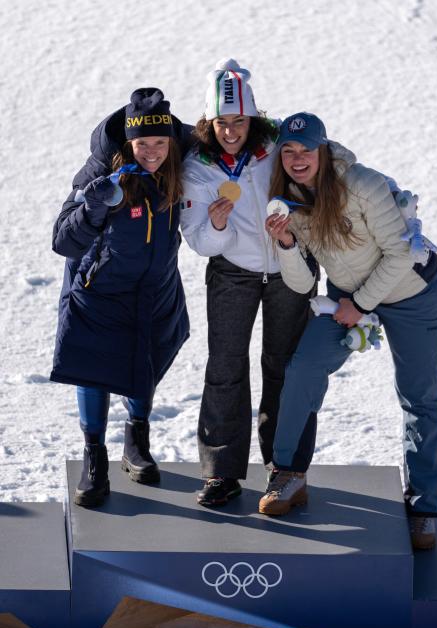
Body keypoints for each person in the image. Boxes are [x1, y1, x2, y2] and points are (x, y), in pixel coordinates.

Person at [260, 112, 437, 551]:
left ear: (323, 150)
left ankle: (423, 509)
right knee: (304, 367)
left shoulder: (362, 183)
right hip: (344, 297)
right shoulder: (287, 201)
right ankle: (288, 473)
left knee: (420, 397)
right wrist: (287, 244)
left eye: (306, 150)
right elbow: (303, 284)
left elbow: (402, 253)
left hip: (411, 294)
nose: (297, 159)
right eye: (288, 151)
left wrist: (360, 305)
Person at [180, 59, 317, 507]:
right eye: (222, 122)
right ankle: (221, 472)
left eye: (240, 120)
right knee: (225, 367)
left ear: (253, 119)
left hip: (289, 267)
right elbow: (198, 241)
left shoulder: (277, 143)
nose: (232, 131)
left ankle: (286, 468)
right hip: (232, 272)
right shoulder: (198, 166)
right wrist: (217, 227)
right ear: (209, 122)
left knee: (286, 366)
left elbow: (323, 162)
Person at [50, 88, 190, 508]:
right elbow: (63, 239)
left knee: (145, 359)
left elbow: (230, 137)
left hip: (154, 286)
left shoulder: (179, 167)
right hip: (101, 291)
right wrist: (93, 208)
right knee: (94, 369)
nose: (152, 152)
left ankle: (137, 439)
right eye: (142, 144)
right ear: (127, 142)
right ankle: (95, 456)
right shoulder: (98, 171)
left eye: (160, 143)